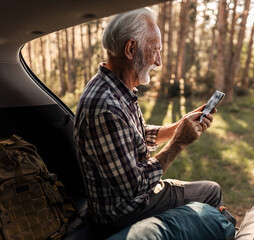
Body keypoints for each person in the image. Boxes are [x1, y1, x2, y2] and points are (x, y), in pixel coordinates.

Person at [73, 8, 224, 237]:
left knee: (206, 190)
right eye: (156, 51)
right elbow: (134, 186)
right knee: (211, 192)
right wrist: (178, 143)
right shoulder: (105, 107)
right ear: (131, 49)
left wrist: (179, 126)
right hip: (123, 211)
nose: (159, 62)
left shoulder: (116, 89)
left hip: (134, 197)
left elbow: (135, 135)